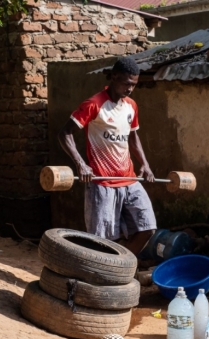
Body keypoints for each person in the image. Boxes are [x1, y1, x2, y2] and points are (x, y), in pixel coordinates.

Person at [58, 57, 156, 256]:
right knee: (102, 241)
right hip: (102, 183)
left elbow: (133, 135)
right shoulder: (94, 104)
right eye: (126, 83)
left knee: (147, 227)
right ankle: (105, 275)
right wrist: (81, 164)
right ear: (113, 77)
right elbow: (64, 133)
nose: (130, 89)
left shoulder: (131, 106)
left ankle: (122, 266)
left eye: (134, 85)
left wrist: (144, 164)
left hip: (129, 180)